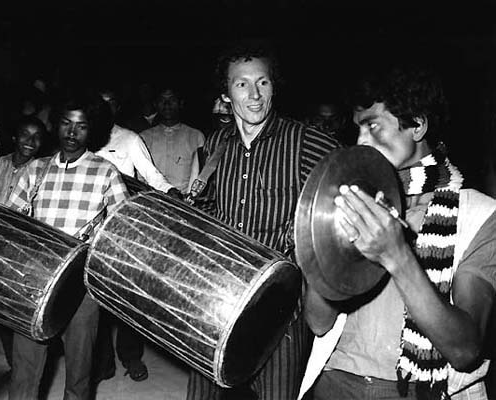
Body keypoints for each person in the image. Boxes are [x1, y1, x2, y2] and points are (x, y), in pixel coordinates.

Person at [301, 66, 496, 400]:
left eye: (373, 125)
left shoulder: (479, 214)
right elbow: (318, 322)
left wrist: (397, 254)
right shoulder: (357, 199)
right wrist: (326, 246)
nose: (361, 141)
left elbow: (464, 350)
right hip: (335, 383)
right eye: (358, 128)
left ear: (417, 125)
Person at [186, 41, 340, 400]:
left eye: (263, 82)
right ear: (226, 94)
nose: (254, 95)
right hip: (219, 301)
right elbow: (209, 213)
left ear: (274, 86)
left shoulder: (307, 142)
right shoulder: (215, 145)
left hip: (279, 310)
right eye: (242, 84)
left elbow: (342, 200)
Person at [5, 90, 129, 400]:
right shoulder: (36, 169)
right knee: (24, 369)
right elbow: (9, 222)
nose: (72, 133)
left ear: (92, 129)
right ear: (56, 125)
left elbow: (122, 232)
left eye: (81, 126)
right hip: (36, 281)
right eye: (66, 123)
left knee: (79, 371)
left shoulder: (106, 172)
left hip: (81, 285)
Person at [92, 87, 181, 384]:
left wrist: (171, 191)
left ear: (117, 108)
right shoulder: (83, 136)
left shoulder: (130, 139)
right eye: (100, 104)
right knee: (94, 298)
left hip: (123, 228)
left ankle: (131, 357)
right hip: (88, 231)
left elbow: (150, 174)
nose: (105, 110)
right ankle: (102, 362)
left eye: (111, 104)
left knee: (127, 295)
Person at [0, 115, 46, 369]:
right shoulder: (0, 163)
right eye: (25, 134)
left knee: (21, 308)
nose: (30, 141)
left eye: (37, 137)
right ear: (14, 137)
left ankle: (25, 366)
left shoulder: (42, 170)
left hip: (23, 248)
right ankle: (13, 364)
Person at [140, 85, 205, 194]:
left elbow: (201, 176)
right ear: (155, 104)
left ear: (181, 103)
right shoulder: (143, 137)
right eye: (162, 100)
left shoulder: (196, 136)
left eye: (172, 100)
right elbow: (140, 176)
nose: (167, 104)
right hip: (152, 198)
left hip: (185, 199)